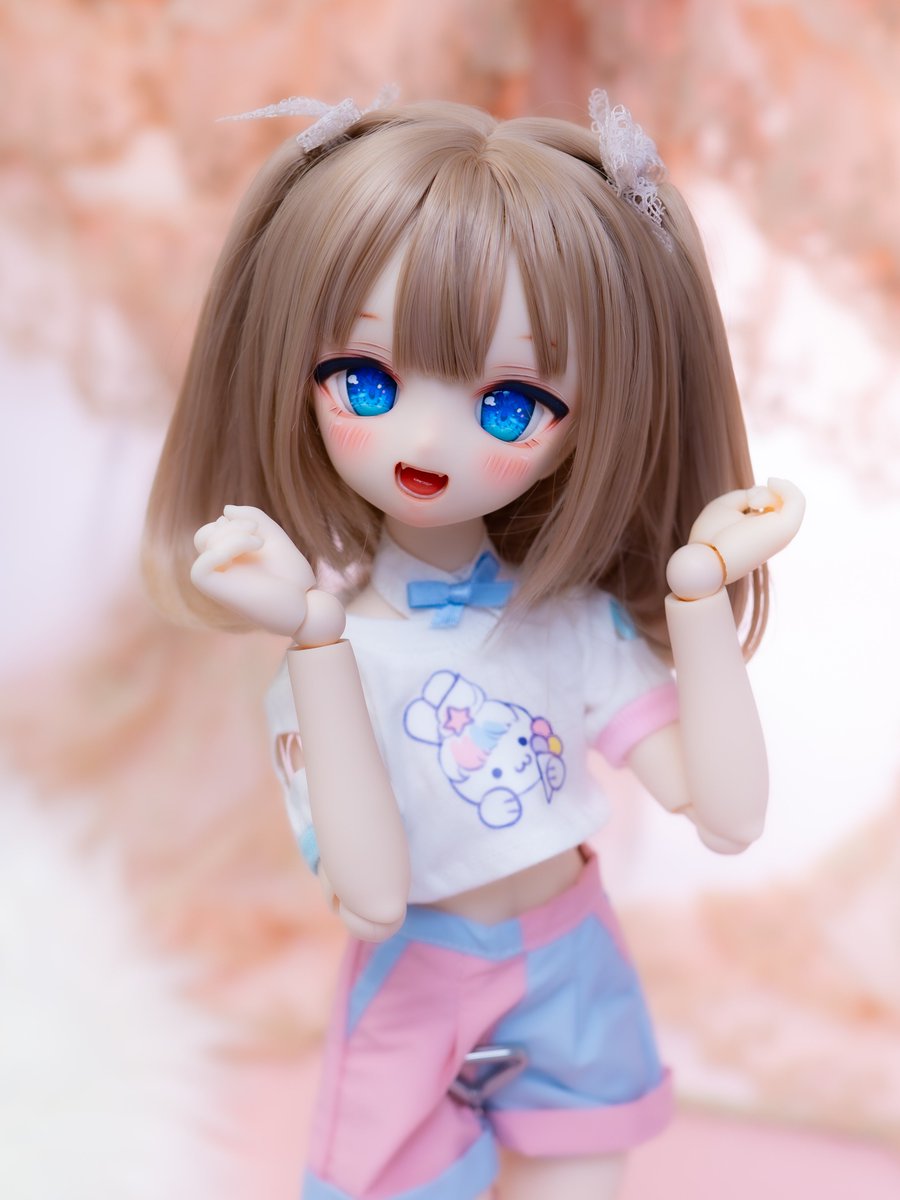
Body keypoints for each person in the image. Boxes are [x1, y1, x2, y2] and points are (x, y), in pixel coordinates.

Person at [144, 90, 804, 1200]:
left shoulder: (569, 625)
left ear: (589, 423)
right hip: (419, 982)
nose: (426, 439)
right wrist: (318, 641)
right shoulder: (332, 655)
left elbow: (728, 816)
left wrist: (698, 600)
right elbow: (372, 900)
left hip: (572, 958)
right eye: (365, 381)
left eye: (509, 404)